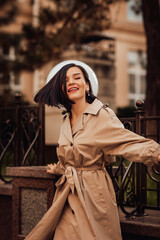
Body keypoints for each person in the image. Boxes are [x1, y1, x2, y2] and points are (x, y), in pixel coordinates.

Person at [25, 61, 160, 240]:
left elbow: (129, 142)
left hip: (93, 195)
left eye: (77, 77)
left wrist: (156, 153)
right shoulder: (66, 119)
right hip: (67, 195)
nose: (71, 82)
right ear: (61, 89)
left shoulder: (101, 115)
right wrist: (57, 168)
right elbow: (70, 157)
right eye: (65, 80)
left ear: (87, 85)